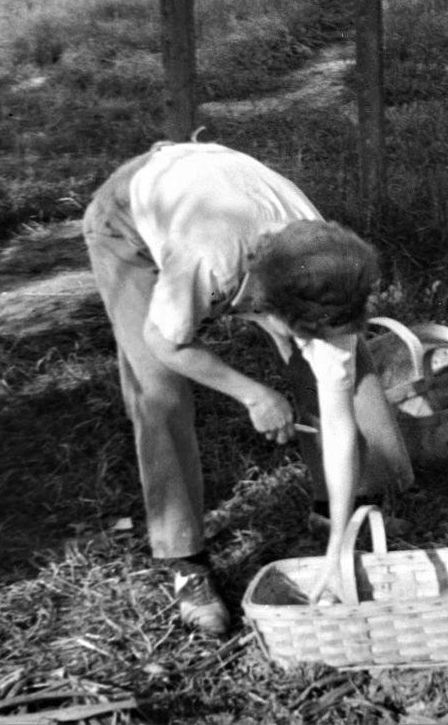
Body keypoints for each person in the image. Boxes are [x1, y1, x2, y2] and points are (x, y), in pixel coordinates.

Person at [83, 139, 412, 637]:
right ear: (264, 304)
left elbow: (339, 418)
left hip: (226, 197)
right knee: (160, 389)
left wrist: (338, 541)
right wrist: (254, 394)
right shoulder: (209, 257)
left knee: (343, 370)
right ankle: (186, 561)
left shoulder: (328, 268)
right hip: (131, 218)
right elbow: (165, 343)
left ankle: (340, 515)